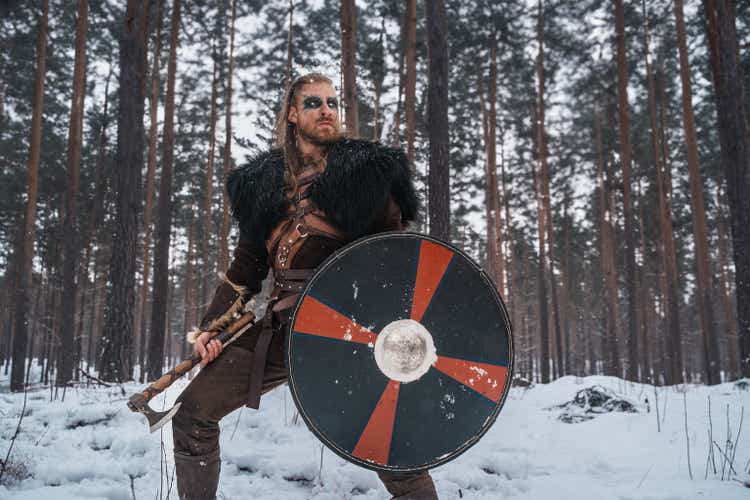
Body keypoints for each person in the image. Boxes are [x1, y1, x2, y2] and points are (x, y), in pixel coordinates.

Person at [171, 72, 438, 500]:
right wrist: (211, 327)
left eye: (333, 102)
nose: (327, 110)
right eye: (314, 102)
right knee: (192, 413)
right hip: (282, 329)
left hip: (351, 332)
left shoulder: (368, 173)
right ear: (293, 114)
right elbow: (246, 268)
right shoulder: (261, 185)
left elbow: (394, 258)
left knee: (390, 446)